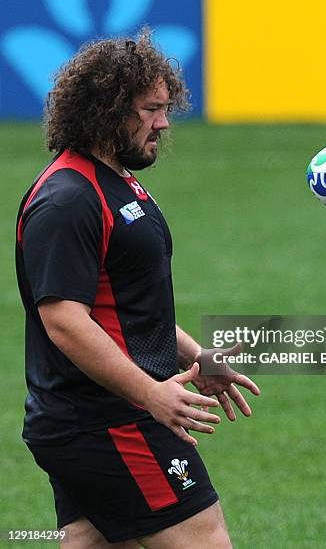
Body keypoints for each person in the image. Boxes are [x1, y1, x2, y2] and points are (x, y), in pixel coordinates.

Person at [15, 29, 260, 548]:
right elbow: (65, 320)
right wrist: (151, 393)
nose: (164, 123)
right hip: (110, 421)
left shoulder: (118, 182)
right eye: (150, 109)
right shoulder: (68, 199)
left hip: (89, 420)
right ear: (107, 109)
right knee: (205, 538)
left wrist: (197, 356)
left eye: (166, 107)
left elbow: (126, 307)